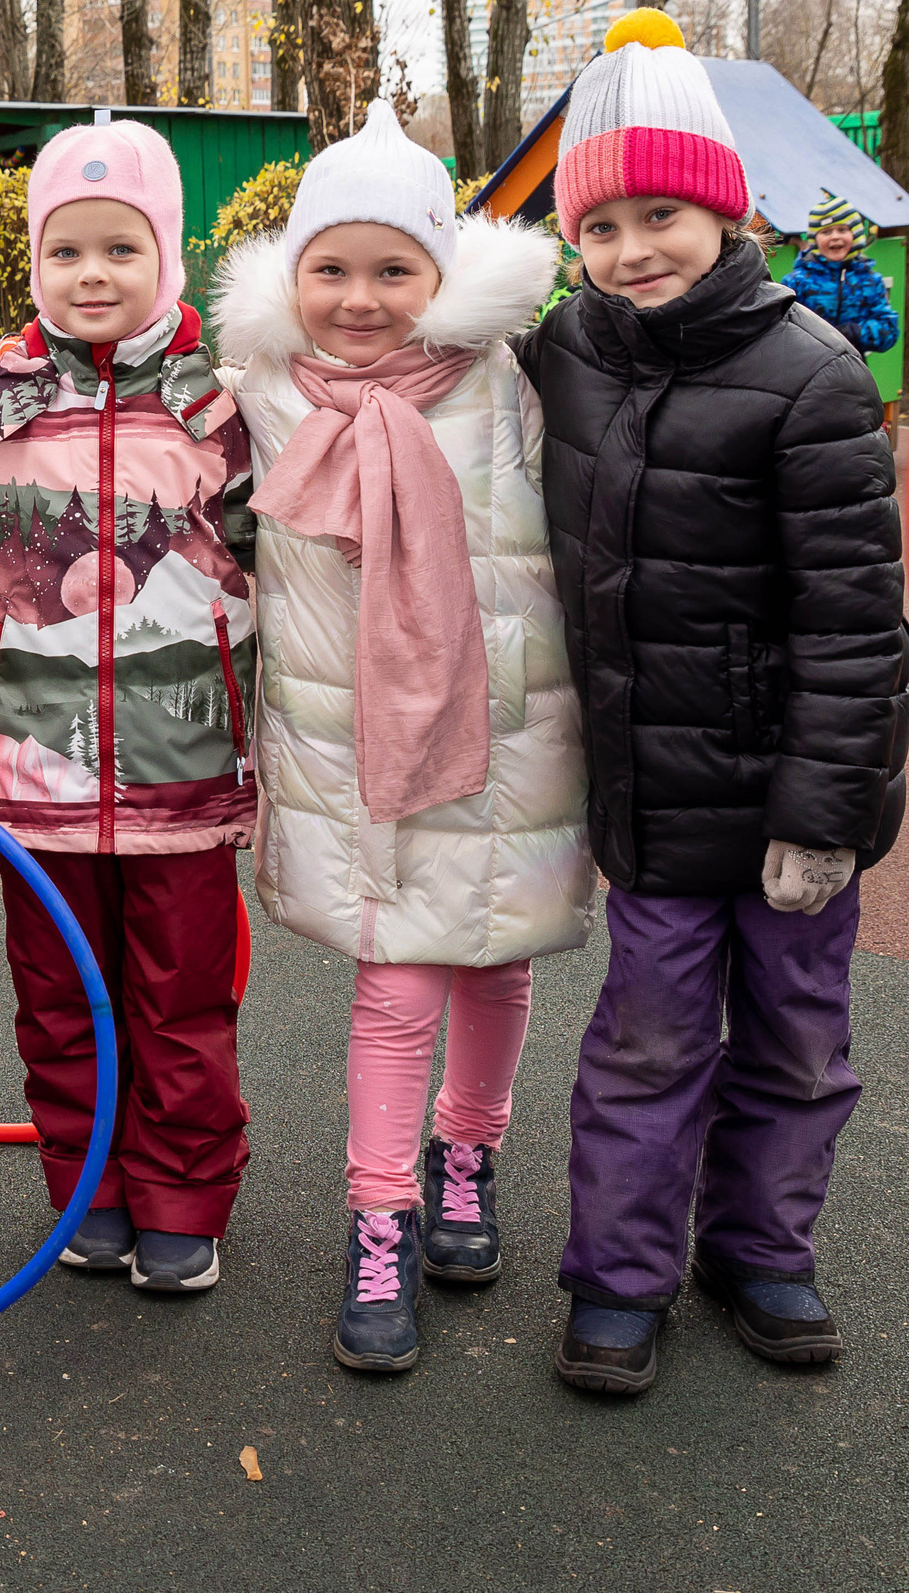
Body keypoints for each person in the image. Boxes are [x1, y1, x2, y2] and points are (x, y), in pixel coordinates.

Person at [513, 11, 909, 1396]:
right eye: (601, 225)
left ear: (725, 211)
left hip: (791, 798)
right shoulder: (568, 350)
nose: (634, 249)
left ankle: (758, 1248)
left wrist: (826, 814)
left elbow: (856, 625)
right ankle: (619, 1276)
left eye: (662, 214)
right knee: (647, 1040)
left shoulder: (812, 375)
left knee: (797, 1039)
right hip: (654, 801)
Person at [213, 100, 591, 1372]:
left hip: (508, 725)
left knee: (497, 958)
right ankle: (379, 1218)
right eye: (330, 269)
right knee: (396, 979)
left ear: (439, 274)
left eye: (392, 270)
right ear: (292, 275)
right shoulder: (263, 395)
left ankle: (466, 1149)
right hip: (353, 739)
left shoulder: (510, 380)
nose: (359, 299)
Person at [0, 121, 257, 1293]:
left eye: (122, 247)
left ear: (166, 255)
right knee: (62, 1001)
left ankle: (182, 1200)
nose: (93, 273)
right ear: (33, 264)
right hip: (35, 774)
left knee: (181, 1002)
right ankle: (89, 1192)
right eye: (66, 252)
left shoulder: (222, 415)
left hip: (183, 769)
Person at [782, 192, 898, 355]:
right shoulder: (797, 282)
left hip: (853, 363)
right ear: (814, 239)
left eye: (842, 230)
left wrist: (854, 332)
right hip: (809, 363)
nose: (835, 237)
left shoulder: (869, 281)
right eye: (826, 232)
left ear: (855, 235)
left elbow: (888, 329)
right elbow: (782, 327)